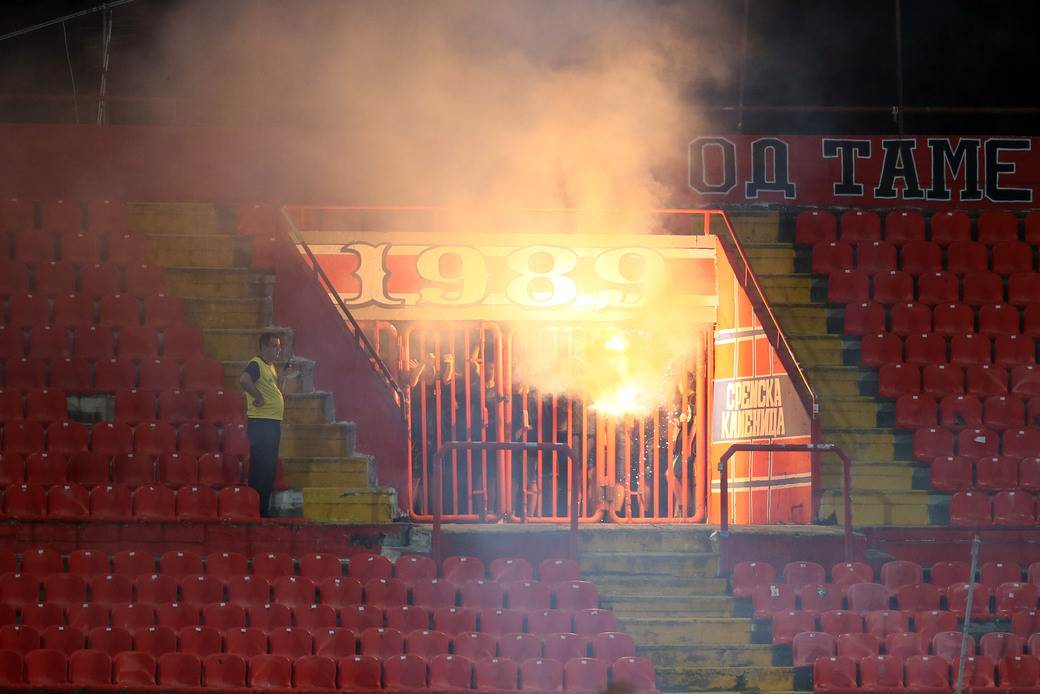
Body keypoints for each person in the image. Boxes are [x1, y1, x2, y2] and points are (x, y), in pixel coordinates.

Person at [239, 332, 294, 517]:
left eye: (279, 346)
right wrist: (258, 397)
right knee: (261, 468)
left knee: (268, 468)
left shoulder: (270, 367)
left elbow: (276, 390)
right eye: (274, 346)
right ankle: (256, 509)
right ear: (264, 347)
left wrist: (283, 377)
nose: (278, 350)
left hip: (270, 423)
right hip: (262, 423)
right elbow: (244, 380)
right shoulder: (256, 364)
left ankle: (262, 508)